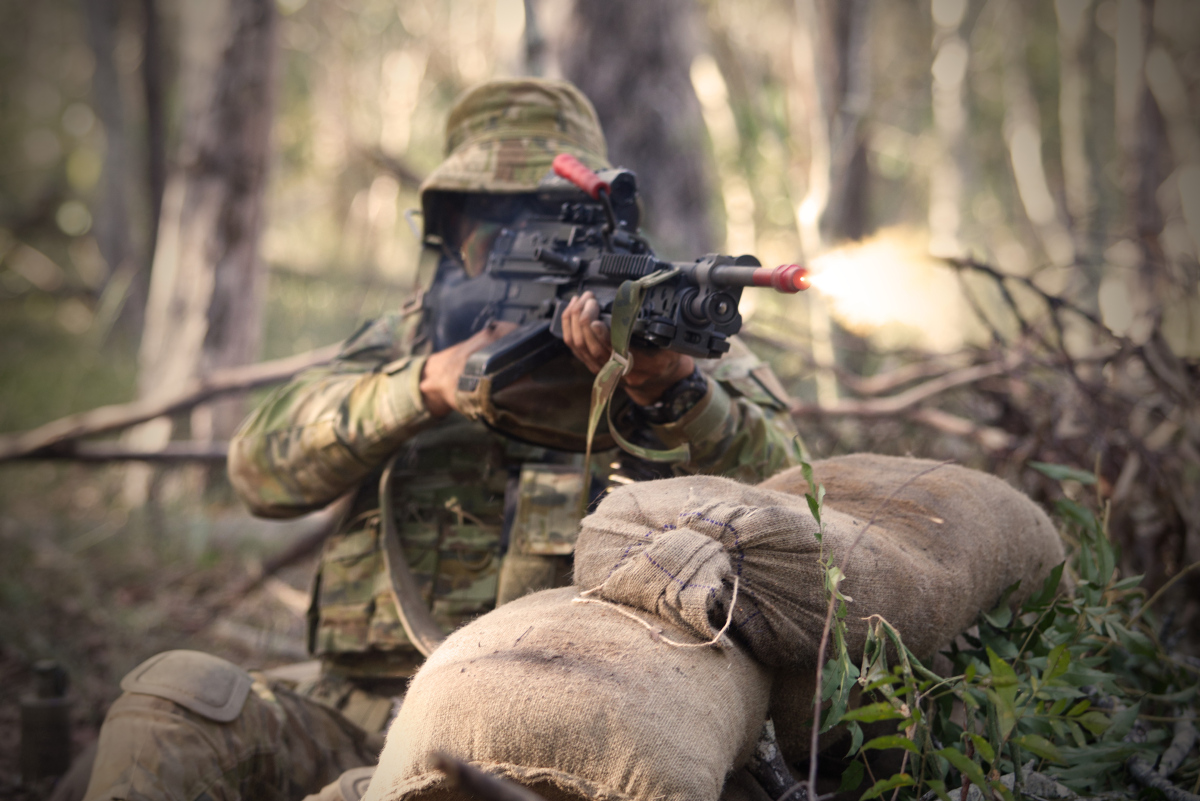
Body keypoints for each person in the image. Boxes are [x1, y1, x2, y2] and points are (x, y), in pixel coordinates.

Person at [78, 77, 804, 801]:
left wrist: (671, 390)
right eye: (486, 212)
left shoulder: (672, 345)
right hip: (354, 711)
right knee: (170, 704)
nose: (513, 233)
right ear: (450, 227)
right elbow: (258, 468)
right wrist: (420, 387)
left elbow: (802, 509)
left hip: (543, 729)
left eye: (548, 212)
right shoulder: (405, 340)